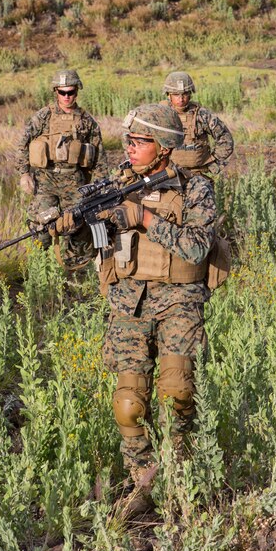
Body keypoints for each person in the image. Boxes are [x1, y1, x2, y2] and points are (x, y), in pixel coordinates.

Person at [88, 103, 215, 515]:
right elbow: (86, 250)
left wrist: (143, 217)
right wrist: (65, 231)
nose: (129, 148)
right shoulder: (115, 183)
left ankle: (178, 477)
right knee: (129, 404)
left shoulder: (196, 188)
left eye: (138, 141)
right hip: (129, 303)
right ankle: (143, 483)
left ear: (162, 148)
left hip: (180, 300)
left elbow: (197, 246)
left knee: (177, 393)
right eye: (127, 140)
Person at [15, 69, 103, 270]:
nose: (66, 97)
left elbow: (99, 155)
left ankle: (77, 271)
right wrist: (24, 173)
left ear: (77, 92)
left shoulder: (87, 121)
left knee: (79, 225)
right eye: (62, 92)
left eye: (70, 92)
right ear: (56, 92)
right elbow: (23, 143)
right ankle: (37, 270)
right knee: (42, 225)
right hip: (46, 180)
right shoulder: (43, 116)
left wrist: (99, 184)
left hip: (75, 181)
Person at [162, 71, 234, 174]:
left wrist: (214, 163)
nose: (181, 99)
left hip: (196, 174)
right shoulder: (161, 115)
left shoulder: (202, 115)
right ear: (168, 95)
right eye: (176, 94)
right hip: (168, 174)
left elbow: (225, 138)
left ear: (190, 94)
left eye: (185, 94)